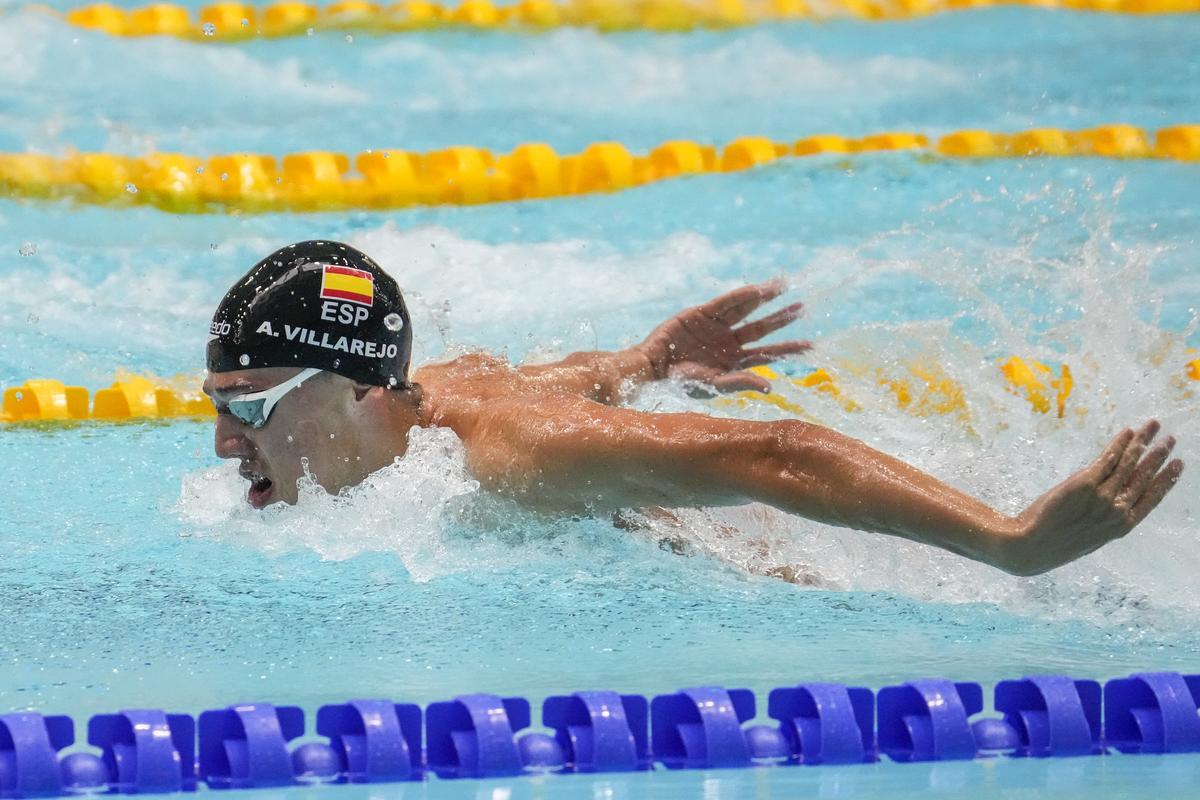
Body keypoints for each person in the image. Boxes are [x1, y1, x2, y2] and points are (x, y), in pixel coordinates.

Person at [203, 240, 1184, 577]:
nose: (220, 442)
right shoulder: (435, 395)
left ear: (357, 388)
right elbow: (558, 374)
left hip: (784, 570)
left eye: (248, 407)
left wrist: (1010, 538)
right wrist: (645, 361)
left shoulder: (510, 457)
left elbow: (778, 453)